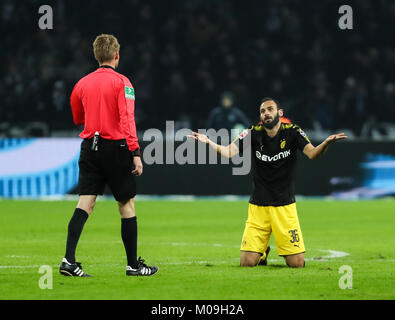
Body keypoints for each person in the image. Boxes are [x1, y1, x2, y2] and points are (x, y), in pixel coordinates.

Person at [189, 98, 346, 268]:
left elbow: (313, 154)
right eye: (263, 111)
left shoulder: (293, 132)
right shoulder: (252, 133)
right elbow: (228, 152)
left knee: (297, 264)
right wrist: (209, 142)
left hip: (284, 206)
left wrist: (326, 143)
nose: (266, 113)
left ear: (280, 113)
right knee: (247, 263)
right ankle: (262, 252)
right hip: (259, 206)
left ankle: (264, 248)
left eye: (270, 109)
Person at [59, 34, 158, 277]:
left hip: (90, 147)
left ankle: (68, 261)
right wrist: (135, 151)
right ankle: (133, 265)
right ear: (116, 55)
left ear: (96, 56)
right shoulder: (123, 83)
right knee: (126, 204)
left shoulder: (81, 84)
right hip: (116, 149)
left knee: (85, 203)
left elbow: (76, 117)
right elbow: (127, 119)